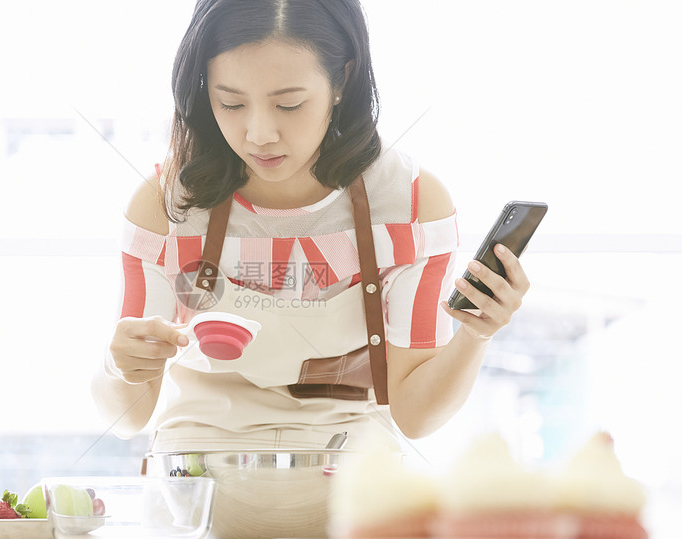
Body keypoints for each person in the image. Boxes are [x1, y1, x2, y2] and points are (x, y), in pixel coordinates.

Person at [91, 0, 531, 454]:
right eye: (231, 103)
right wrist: (118, 365)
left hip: (352, 481)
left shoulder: (411, 206)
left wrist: (477, 334)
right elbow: (128, 417)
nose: (259, 133)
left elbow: (415, 416)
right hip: (202, 479)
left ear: (342, 80)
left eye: (289, 104)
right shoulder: (165, 207)